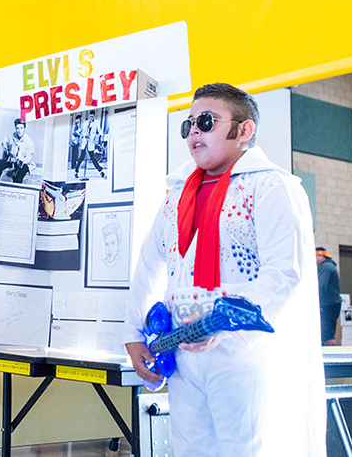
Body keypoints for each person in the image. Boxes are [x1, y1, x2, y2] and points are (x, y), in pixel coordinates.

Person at [123, 83, 326, 456]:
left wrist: (220, 321)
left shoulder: (271, 185)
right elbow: (151, 262)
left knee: (246, 450)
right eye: (188, 126)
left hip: (243, 351)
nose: (194, 131)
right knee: (190, 450)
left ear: (244, 130)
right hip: (184, 352)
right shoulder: (176, 194)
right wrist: (134, 333)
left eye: (206, 121)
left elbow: (285, 272)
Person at [0, 118, 35, 183]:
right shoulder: (11, 137)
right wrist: (4, 144)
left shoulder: (29, 142)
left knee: (19, 172)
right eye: (17, 128)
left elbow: (27, 159)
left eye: (21, 128)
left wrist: (19, 161)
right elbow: (5, 141)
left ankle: (16, 190)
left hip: (24, 164)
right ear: (15, 128)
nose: (19, 130)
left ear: (25, 129)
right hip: (12, 162)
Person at [316, 246, 342, 346]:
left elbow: (320, 286)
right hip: (331, 305)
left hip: (327, 306)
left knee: (327, 335)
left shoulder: (325, 267)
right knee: (327, 334)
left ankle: (328, 359)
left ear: (320, 256)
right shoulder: (329, 266)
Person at [74, 111, 105, 179]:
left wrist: (101, 135)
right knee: (81, 158)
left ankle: (101, 171)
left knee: (93, 158)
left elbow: (99, 130)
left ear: (94, 116)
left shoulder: (96, 123)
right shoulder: (86, 123)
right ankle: (76, 171)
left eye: (92, 116)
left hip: (91, 143)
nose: (91, 118)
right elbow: (83, 131)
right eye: (90, 116)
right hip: (85, 142)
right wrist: (85, 136)